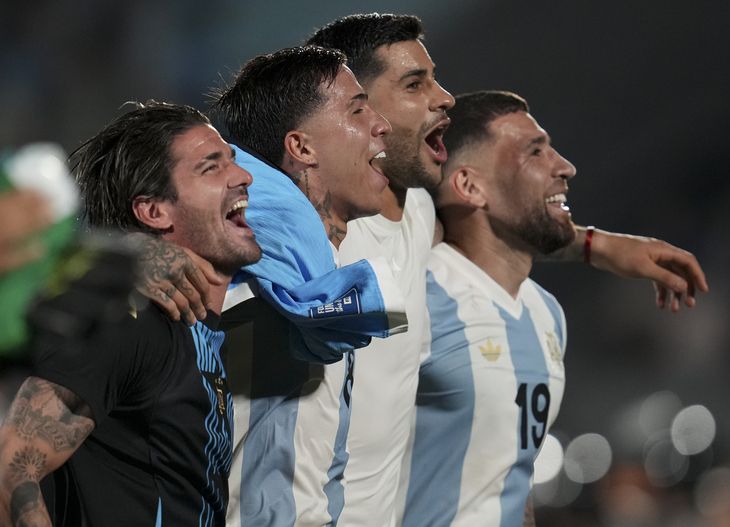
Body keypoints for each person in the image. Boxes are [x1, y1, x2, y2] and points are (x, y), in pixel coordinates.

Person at [307, 13, 708, 526]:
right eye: (415, 83)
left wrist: (597, 245)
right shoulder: (372, 262)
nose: (564, 166)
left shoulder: (533, 305)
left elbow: (510, 479)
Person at [0, 101, 262, 526]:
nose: (243, 176)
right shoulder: (133, 321)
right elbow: (10, 472)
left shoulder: (192, 328)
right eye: (210, 168)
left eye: (232, 161)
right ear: (154, 210)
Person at [209, 46, 405, 526]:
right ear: (301, 148)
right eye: (357, 110)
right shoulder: (244, 267)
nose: (381, 125)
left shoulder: (321, 270)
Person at [397, 90, 582, 526]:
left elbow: (513, 479)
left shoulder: (546, 313)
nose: (564, 167)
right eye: (534, 152)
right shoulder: (418, 295)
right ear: (469, 186)